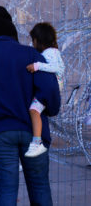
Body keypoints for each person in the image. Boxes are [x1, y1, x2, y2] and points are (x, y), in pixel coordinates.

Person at [0, 6, 61, 206]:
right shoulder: (31, 55)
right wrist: (51, 110)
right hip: (32, 130)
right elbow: (49, 89)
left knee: (6, 191)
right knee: (40, 187)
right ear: (13, 31)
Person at [25, 22, 65, 157]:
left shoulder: (50, 53)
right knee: (34, 111)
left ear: (38, 40)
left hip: (51, 89)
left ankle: (36, 143)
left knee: (34, 110)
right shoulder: (52, 52)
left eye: (33, 41)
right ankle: (36, 143)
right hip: (52, 88)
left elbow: (55, 68)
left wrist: (37, 66)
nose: (32, 44)